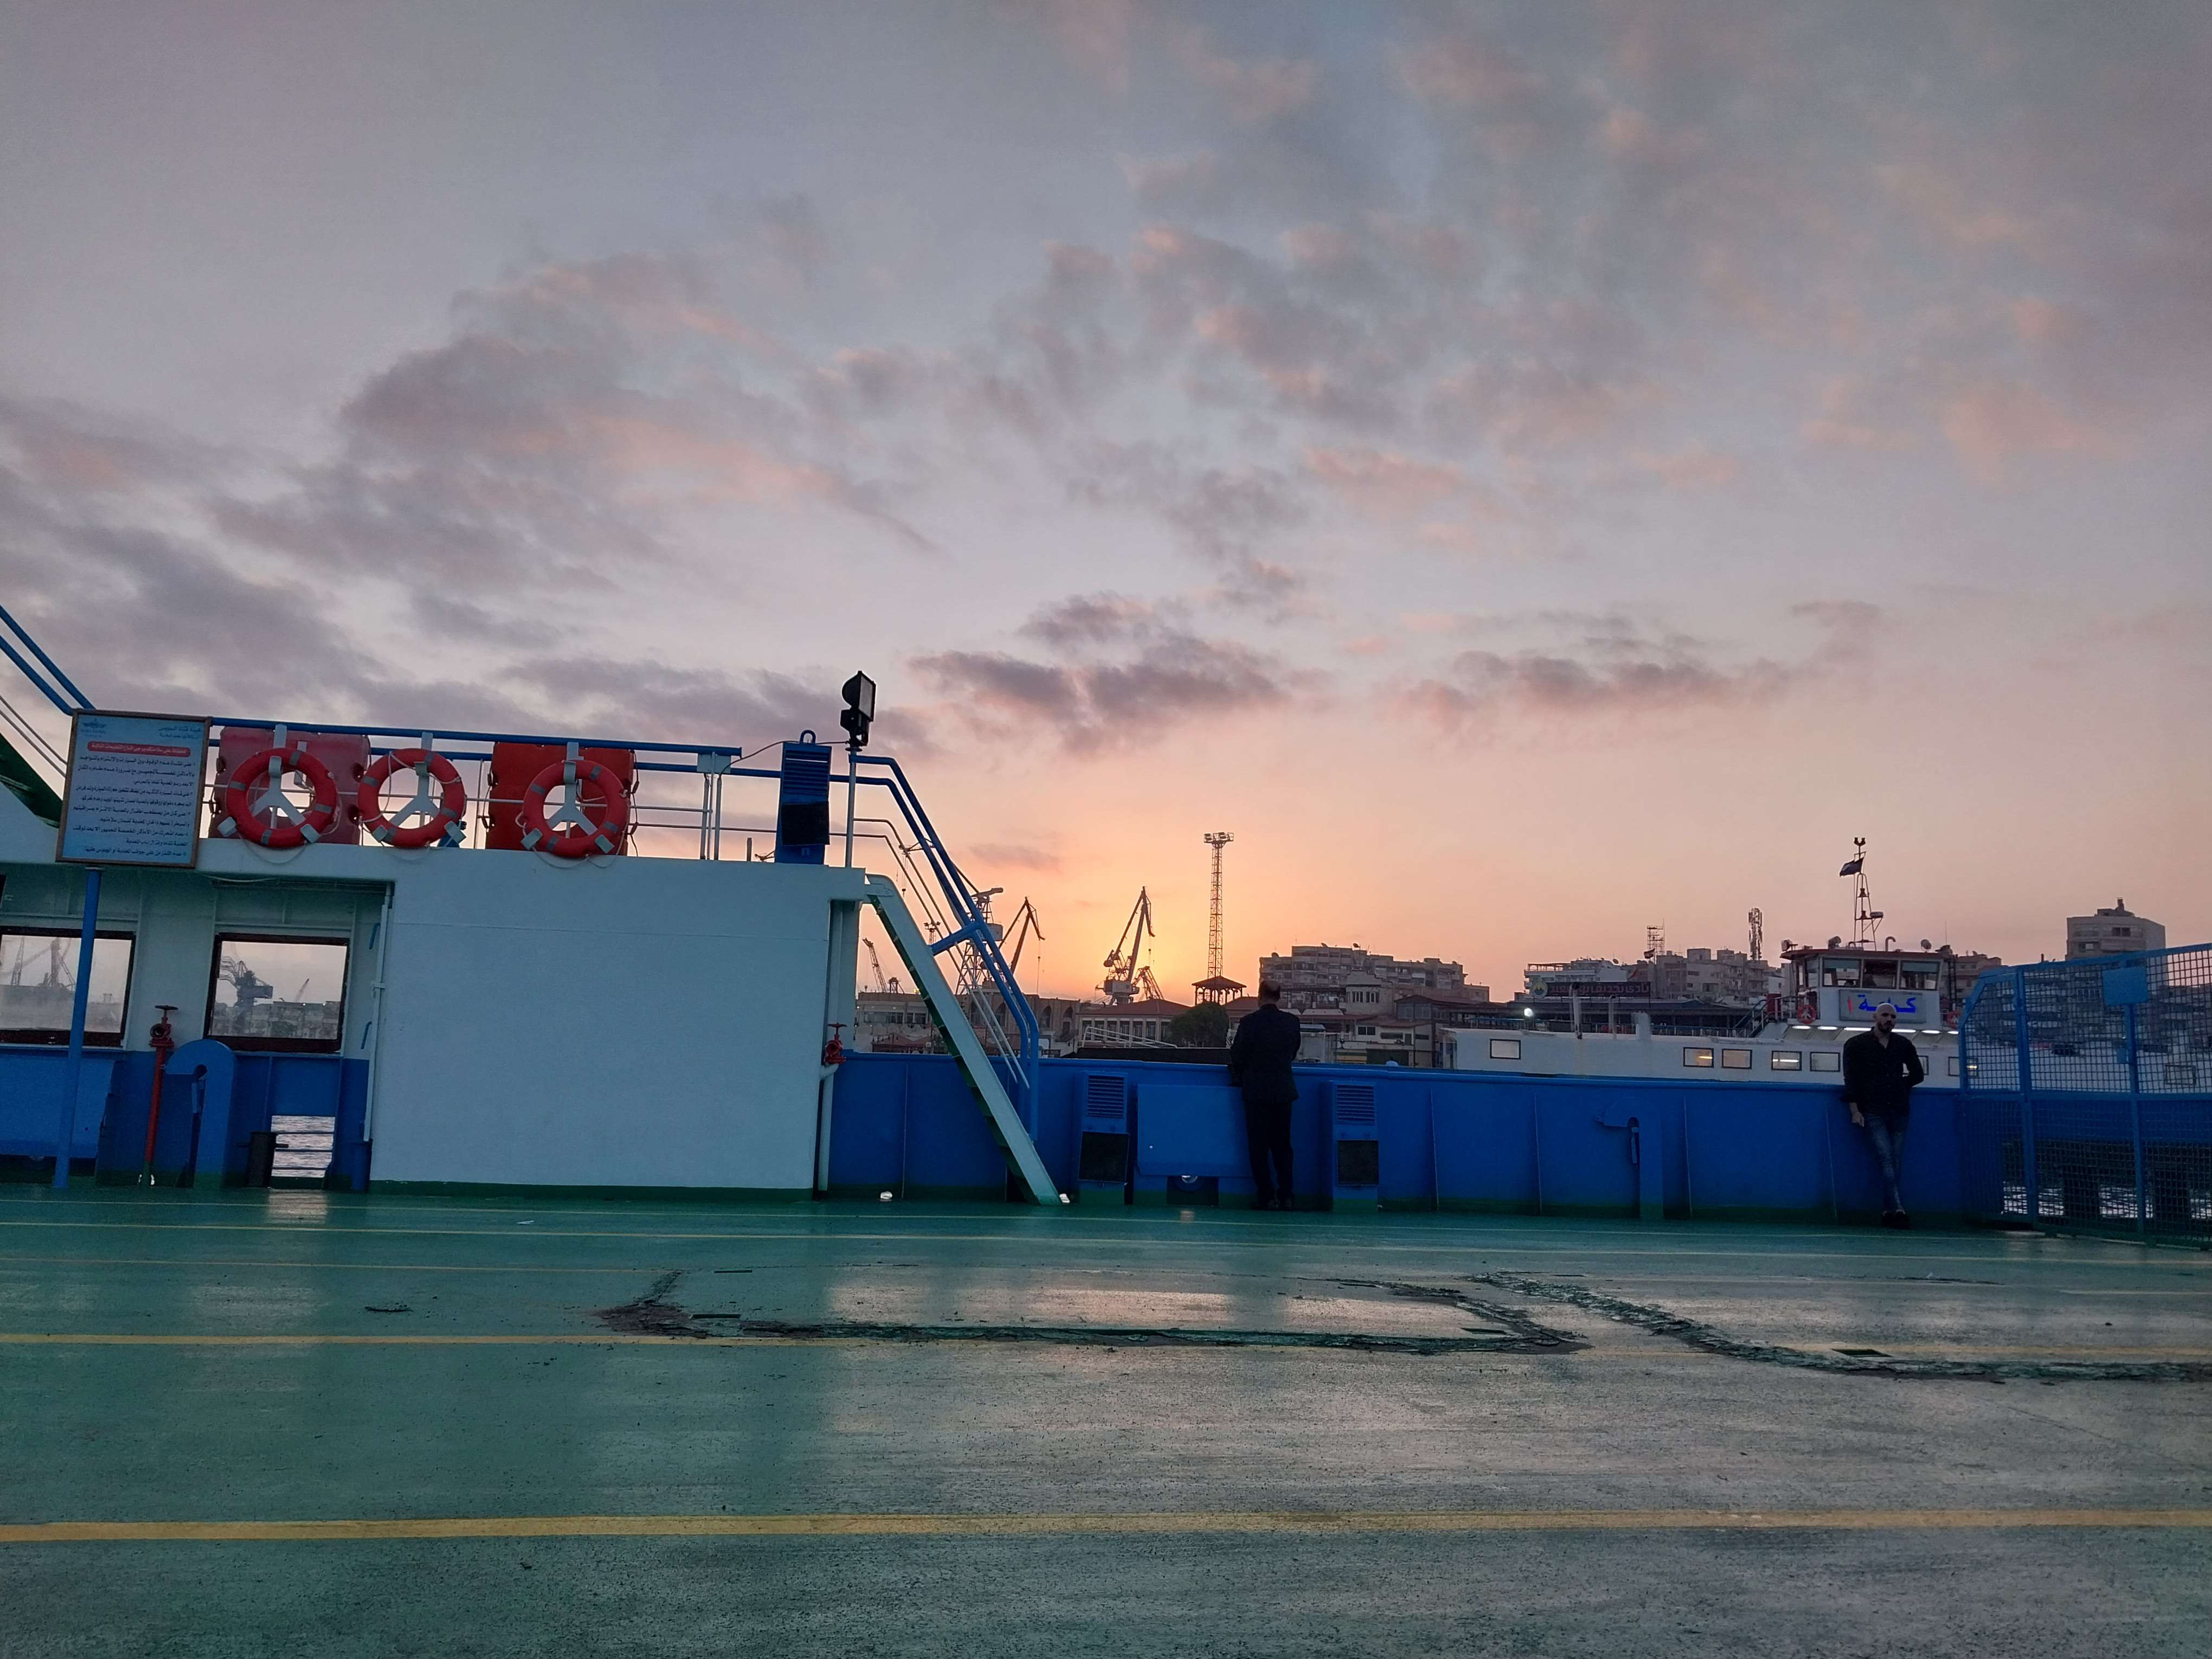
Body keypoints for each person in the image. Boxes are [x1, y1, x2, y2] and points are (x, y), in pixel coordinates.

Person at [1843, 1000, 1925, 1227]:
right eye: (1885, 1016)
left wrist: (1900, 1086)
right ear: (1875, 1018)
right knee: (1887, 1159)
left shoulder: (1903, 1044)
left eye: (1893, 1017)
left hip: (1898, 1110)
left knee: (1894, 1161)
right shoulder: (1856, 1045)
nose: (1889, 1020)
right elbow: (1851, 1079)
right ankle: (1898, 1209)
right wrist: (1855, 1110)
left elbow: (1918, 1074)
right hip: (1873, 1111)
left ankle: (1889, 1211)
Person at [1227, 981, 1302, 1210]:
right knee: (1283, 1147)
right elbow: (1293, 1053)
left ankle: (1266, 1197)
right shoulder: (1291, 1023)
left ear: (1260, 997)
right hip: (1283, 1091)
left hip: (1256, 1093)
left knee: (1258, 1148)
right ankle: (1287, 1196)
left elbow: (1237, 1056)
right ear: (1279, 998)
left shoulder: (1249, 1023)